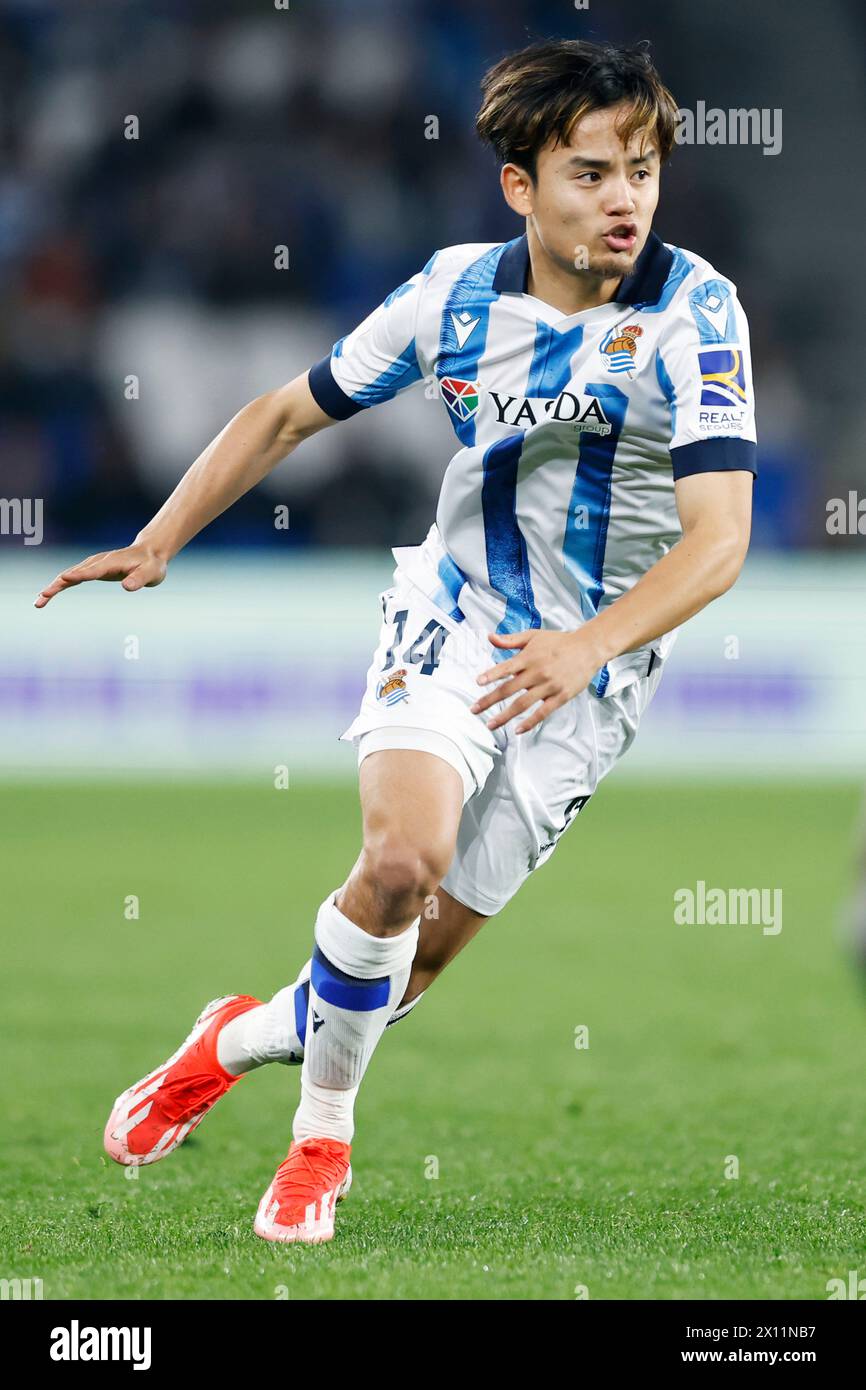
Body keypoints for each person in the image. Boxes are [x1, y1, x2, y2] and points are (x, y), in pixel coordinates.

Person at [35, 39, 756, 1245]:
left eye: (640, 168)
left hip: (595, 668)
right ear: (518, 185)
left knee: (405, 967)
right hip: (458, 613)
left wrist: (586, 647)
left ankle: (231, 1037)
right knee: (398, 858)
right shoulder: (450, 297)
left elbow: (719, 538)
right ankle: (322, 1140)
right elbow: (284, 413)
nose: (624, 197)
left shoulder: (695, 313)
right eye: (589, 173)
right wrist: (158, 539)